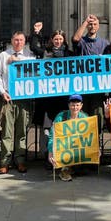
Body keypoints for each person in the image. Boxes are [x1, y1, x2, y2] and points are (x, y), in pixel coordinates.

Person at [0, 31, 35, 174]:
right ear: (11, 41)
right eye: (16, 40)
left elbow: (35, 71)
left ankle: (20, 160)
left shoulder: (30, 56)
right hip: (8, 98)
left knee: (22, 131)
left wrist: (18, 61)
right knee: (6, 131)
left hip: (24, 98)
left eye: (21, 40)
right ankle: (5, 162)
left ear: (25, 42)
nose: (18, 42)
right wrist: (2, 92)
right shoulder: (3, 56)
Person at [33, 30, 74, 168]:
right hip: (48, 99)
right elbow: (33, 47)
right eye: (56, 39)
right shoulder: (45, 52)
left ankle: (63, 156)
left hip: (63, 98)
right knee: (48, 129)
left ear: (64, 40)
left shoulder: (69, 54)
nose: (58, 41)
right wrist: (36, 33)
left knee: (63, 127)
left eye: (60, 39)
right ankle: (49, 157)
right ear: (52, 40)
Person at [48, 94, 89, 181]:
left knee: (83, 170)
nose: (75, 108)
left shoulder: (85, 118)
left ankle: (72, 168)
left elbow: (91, 135)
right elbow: (52, 135)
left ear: (81, 106)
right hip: (63, 147)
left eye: (77, 105)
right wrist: (51, 152)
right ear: (68, 105)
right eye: (72, 105)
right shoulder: (61, 117)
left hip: (77, 147)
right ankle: (65, 169)